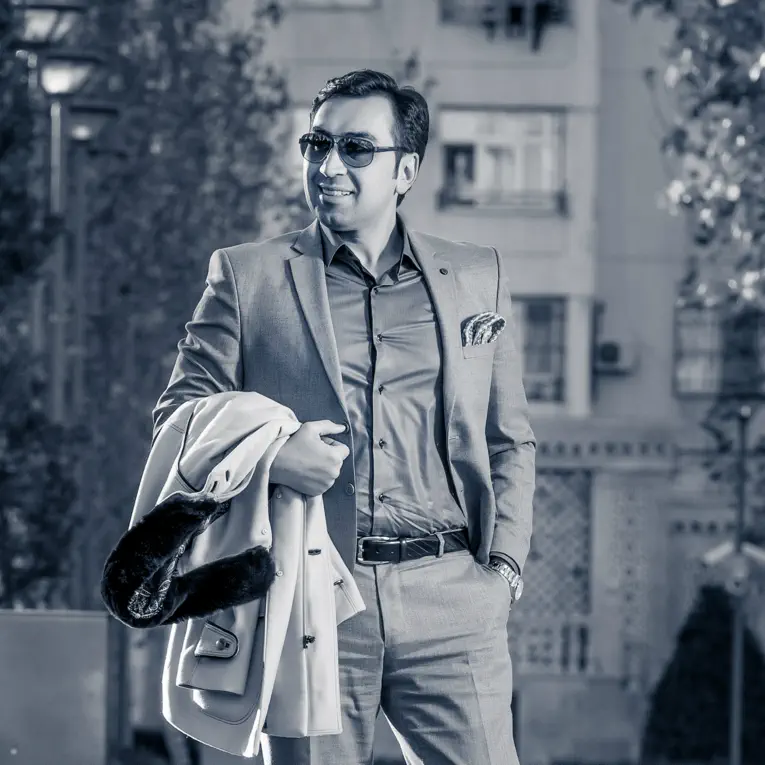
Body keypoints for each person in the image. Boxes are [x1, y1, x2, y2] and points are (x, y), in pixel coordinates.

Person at [153, 69, 536, 765]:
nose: (329, 165)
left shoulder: (476, 276)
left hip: (455, 601)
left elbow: (508, 439)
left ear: (405, 170)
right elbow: (178, 418)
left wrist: (503, 568)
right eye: (317, 144)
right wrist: (275, 456)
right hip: (314, 597)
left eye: (356, 148)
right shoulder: (247, 276)